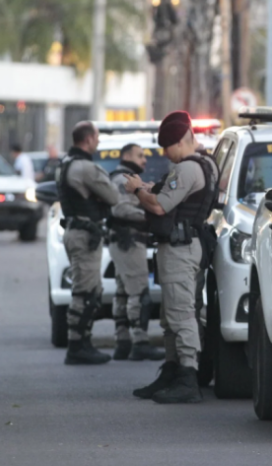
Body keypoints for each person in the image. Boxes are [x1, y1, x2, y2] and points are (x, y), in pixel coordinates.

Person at [124, 111, 219, 404]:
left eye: (168, 147)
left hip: (181, 249)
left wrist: (138, 189)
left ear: (181, 141)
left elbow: (160, 208)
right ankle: (172, 370)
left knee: (182, 315)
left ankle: (188, 377)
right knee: (171, 315)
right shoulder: (206, 164)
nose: (166, 154)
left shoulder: (188, 169)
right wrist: (151, 188)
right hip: (182, 246)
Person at [57, 122, 119, 365]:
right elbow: (113, 196)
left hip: (76, 231)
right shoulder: (84, 168)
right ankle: (77, 346)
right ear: (89, 139)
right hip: (84, 235)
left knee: (88, 289)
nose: (98, 142)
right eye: (97, 138)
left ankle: (82, 343)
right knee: (86, 292)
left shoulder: (64, 164)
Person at [107, 143, 165, 362]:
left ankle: (122, 342)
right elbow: (120, 209)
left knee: (123, 292)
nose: (144, 160)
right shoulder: (123, 180)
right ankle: (139, 342)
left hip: (124, 241)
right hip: (129, 241)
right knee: (138, 292)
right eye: (140, 156)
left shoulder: (124, 178)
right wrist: (149, 215)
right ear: (127, 156)